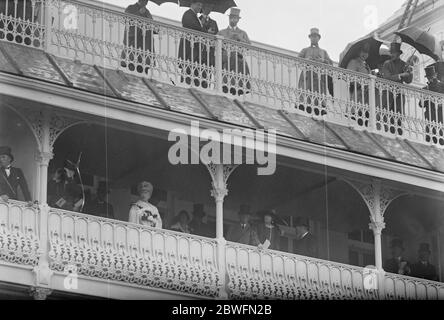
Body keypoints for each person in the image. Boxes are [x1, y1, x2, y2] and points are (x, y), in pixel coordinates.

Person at [297, 28, 333, 116]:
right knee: (306, 95)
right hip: (307, 76)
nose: (314, 38)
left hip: (319, 78)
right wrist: (307, 59)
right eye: (312, 36)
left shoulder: (323, 52)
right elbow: (298, 59)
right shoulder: (305, 50)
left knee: (318, 97)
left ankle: (319, 107)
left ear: (318, 38)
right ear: (310, 38)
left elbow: (330, 64)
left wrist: (323, 61)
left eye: (315, 36)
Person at [380, 42, 413, 135]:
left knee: (398, 114)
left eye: (394, 53)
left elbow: (408, 81)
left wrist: (410, 72)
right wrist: (401, 75)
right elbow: (387, 78)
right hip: (389, 93)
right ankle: (389, 131)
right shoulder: (387, 64)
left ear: (398, 53)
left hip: (399, 94)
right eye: (391, 52)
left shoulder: (404, 64)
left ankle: (398, 131)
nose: (392, 54)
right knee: (388, 114)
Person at [218, 8, 251, 96]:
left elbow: (248, 46)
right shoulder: (222, 32)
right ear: (229, 18)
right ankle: (225, 86)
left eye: (235, 18)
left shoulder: (242, 33)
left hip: (239, 58)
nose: (233, 20)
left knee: (242, 66)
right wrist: (229, 39)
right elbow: (217, 45)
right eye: (232, 18)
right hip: (226, 58)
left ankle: (239, 88)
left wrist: (240, 39)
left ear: (238, 20)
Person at [121, 0, 156, 74]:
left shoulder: (147, 12)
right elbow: (126, 20)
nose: (146, 2)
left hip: (145, 44)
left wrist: (156, 28)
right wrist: (139, 13)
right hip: (133, 42)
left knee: (143, 69)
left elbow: (152, 25)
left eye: (147, 1)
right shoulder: (131, 8)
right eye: (145, 1)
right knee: (131, 65)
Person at [178, 1, 208, 88]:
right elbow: (194, 27)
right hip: (189, 46)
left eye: (201, 5)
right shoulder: (188, 14)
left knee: (193, 68)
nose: (200, 7)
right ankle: (186, 85)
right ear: (192, 4)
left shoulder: (195, 16)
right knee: (188, 67)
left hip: (194, 47)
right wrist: (205, 31)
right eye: (198, 5)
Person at [346, 42, 372, 127]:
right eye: (363, 51)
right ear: (358, 52)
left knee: (365, 125)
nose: (365, 54)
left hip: (366, 100)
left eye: (367, 52)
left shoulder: (367, 66)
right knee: (357, 123)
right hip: (357, 97)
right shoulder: (353, 62)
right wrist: (361, 83)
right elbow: (349, 77)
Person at [420, 65, 444, 145]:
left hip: (440, 113)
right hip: (429, 115)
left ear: (435, 75)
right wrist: (424, 98)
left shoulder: (442, 86)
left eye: (431, 76)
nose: (430, 78)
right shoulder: (425, 88)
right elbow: (421, 104)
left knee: (440, 136)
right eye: (428, 77)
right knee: (430, 138)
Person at [199, 4, 218, 68]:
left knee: (208, 70)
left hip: (210, 50)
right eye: (207, 7)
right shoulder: (198, 19)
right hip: (200, 49)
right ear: (203, 8)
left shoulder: (214, 22)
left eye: (210, 7)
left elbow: (217, 34)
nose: (209, 9)